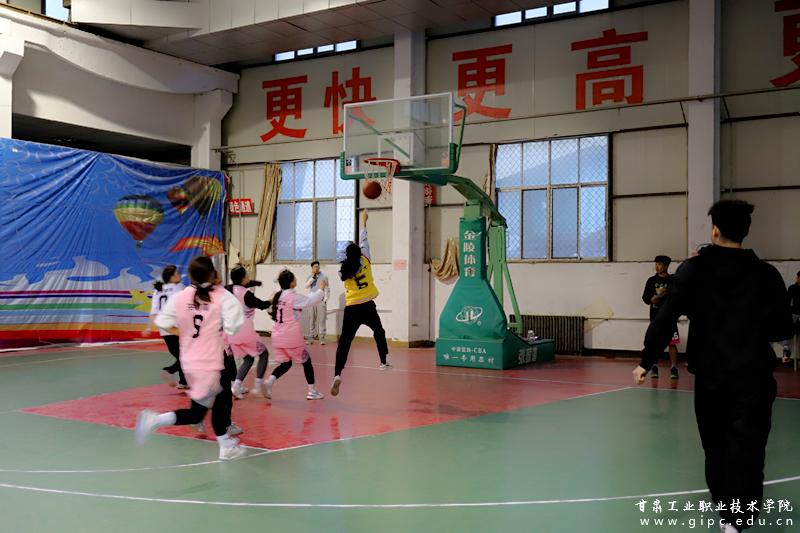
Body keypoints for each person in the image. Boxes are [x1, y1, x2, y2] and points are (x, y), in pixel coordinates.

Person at [633, 200, 793, 533]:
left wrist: (647, 360)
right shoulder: (766, 274)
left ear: (715, 230)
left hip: (712, 378)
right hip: (754, 377)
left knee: (716, 446)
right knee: (749, 448)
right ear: (746, 231)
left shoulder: (693, 270)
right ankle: (740, 519)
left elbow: (666, 316)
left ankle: (727, 515)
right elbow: (781, 329)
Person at [135, 256, 248, 460]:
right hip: (211, 360)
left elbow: (162, 321)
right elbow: (234, 326)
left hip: (189, 362)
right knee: (221, 401)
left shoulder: (181, 295)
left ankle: (156, 420)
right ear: (213, 274)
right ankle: (225, 446)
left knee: (198, 412)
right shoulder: (221, 295)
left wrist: (185, 331)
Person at [331, 209, 389, 397]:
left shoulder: (343, 270)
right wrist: (364, 220)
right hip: (367, 306)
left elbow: (344, 264)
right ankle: (383, 361)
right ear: (359, 252)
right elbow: (364, 238)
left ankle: (337, 374)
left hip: (352, 308)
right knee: (379, 331)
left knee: (345, 342)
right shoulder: (366, 258)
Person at [263, 269, 324, 400]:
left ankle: (269, 382)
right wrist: (321, 289)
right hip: (290, 337)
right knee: (306, 361)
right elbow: (311, 300)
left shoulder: (277, 296)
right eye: (294, 278)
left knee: (286, 363)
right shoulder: (293, 297)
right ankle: (312, 391)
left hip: (277, 336)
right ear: (292, 283)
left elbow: (269, 310)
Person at [225, 265, 271, 399]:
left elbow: (240, 285)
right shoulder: (246, 294)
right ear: (243, 278)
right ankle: (258, 385)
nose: (248, 276)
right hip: (244, 332)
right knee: (264, 354)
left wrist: (256, 283)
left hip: (230, 332)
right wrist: (272, 299)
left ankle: (236, 386)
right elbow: (262, 305)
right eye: (247, 274)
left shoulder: (227, 289)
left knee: (249, 359)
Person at [143, 265, 187, 388]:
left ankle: (183, 382)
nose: (180, 275)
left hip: (165, 330)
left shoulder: (158, 290)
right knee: (187, 355)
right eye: (177, 274)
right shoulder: (180, 288)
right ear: (171, 277)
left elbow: (153, 312)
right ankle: (168, 371)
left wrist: (148, 327)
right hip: (178, 328)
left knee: (181, 355)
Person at [641, 255, 681, 379]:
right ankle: (654, 366)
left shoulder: (673, 280)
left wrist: (666, 295)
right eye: (656, 264)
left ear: (666, 266)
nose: (657, 267)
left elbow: (678, 296)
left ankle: (673, 367)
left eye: (660, 264)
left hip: (670, 317)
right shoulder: (651, 281)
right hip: (655, 318)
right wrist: (654, 298)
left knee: (672, 343)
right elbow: (646, 298)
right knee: (653, 344)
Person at [304, 260, 330, 345]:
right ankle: (311, 338)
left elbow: (327, 289)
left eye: (318, 266)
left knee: (322, 320)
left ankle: (322, 338)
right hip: (312, 300)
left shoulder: (324, 276)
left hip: (320, 300)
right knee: (312, 320)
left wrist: (325, 300)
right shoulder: (310, 277)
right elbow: (306, 286)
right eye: (315, 267)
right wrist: (313, 277)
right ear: (312, 268)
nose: (317, 268)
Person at [784, 271, 800, 363]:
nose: (798, 279)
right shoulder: (792, 288)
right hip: (793, 314)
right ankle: (786, 353)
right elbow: (787, 301)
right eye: (798, 277)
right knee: (787, 332)